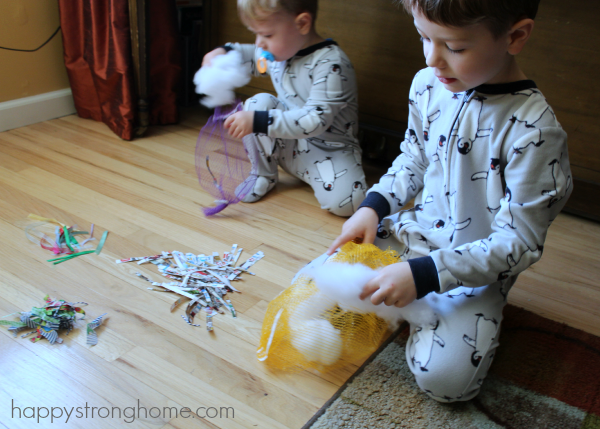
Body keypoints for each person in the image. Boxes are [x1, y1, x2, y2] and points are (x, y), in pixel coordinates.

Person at [323, 0, 572, 402]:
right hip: (414, 236)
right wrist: (374, 205)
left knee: (446, 382)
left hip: (474, 268)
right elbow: (413, 158)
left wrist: (424, 276)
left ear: (515, 37)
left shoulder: (535, 131)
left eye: (454, 47)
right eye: (424, 37)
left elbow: (518, 243)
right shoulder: (426, 84)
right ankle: (405, 299)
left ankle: (428, 310)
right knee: (330, 278)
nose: (433, 59)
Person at [202, 0, 366, 217]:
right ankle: (262, 174)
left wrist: (257, 121)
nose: (260, 43)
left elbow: (315, 120)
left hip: (330, 150)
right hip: (290, 144)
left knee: (350, 203)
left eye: (267, 35)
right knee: (257, 103)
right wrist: (224, 53)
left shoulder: (331, 65)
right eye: (256, 34)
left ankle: (314, 174)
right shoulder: (279, 52)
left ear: (302, 24)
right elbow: (252, 56)